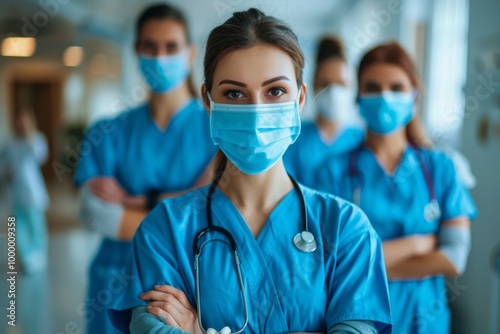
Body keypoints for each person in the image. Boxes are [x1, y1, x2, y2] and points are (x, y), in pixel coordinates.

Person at [108, 8, 392, 334]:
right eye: (234, 93)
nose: (256, 111)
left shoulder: (346, 229)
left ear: (299, 100)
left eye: (275, 91)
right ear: (208, 100)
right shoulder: (165, 230)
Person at [315, 42, 478, 334]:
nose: (384, 97)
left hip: (427, 322)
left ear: (414, 97)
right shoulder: (333, 173)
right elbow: (333, 264)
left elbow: (454, 258)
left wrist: (368, 265)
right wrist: (420, 244)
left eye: (396, 87)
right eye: (373, 87)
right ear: (358, 97)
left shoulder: (440, 168)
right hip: (360, 320)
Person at [73, 4, 217, 333]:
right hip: (115, 280)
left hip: (189, 284)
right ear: (137, 51)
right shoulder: (107, 132)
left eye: (171, 47)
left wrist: (131, 203)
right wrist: (182, 210)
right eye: (150, 46)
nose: (160, 56)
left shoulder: (216, 130)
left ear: (190, 53)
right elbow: (95, 212)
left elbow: (218, 206)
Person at [283, 36, 363, 187]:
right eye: (325, 84)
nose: (333, 91)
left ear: (352, 87)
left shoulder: (361, 139)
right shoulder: (294, 138)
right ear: (313, 87)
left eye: (341, 83)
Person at [0, 109, 49, 274]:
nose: (20, 125)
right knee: (16, 229)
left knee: (36, 226)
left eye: (24, 121)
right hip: (15, 193)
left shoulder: (36, 139)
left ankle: (38, 255)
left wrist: (29, 136)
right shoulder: (10, 143)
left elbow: (40, 155)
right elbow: (3, 164)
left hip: (32, 193)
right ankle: (27, 257)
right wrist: (5, 171)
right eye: (18, 121)